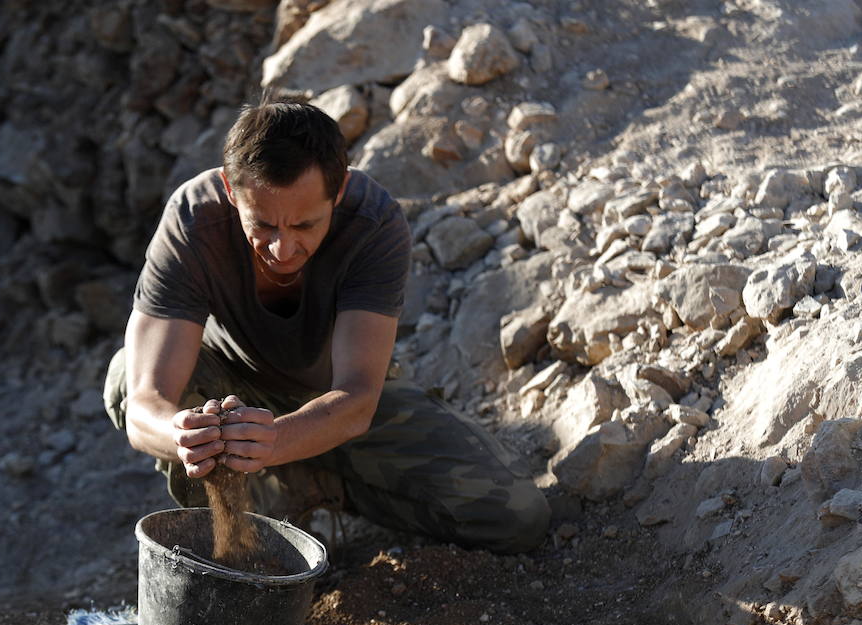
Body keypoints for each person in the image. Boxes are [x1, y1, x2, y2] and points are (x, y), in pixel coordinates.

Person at [103, 100, 550, 553]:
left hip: (336, 400)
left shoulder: (372, 223)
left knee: (515, 514)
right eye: (262, 224)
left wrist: (277, 442)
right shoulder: (194, 221)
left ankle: (317, 486)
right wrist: (182, 436)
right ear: (232, 192)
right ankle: (243, 546)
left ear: (338, 195)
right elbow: (144, 405)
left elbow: (357, 398)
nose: (281, 248)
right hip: (234, 397)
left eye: (304, 225)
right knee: (126, 370)